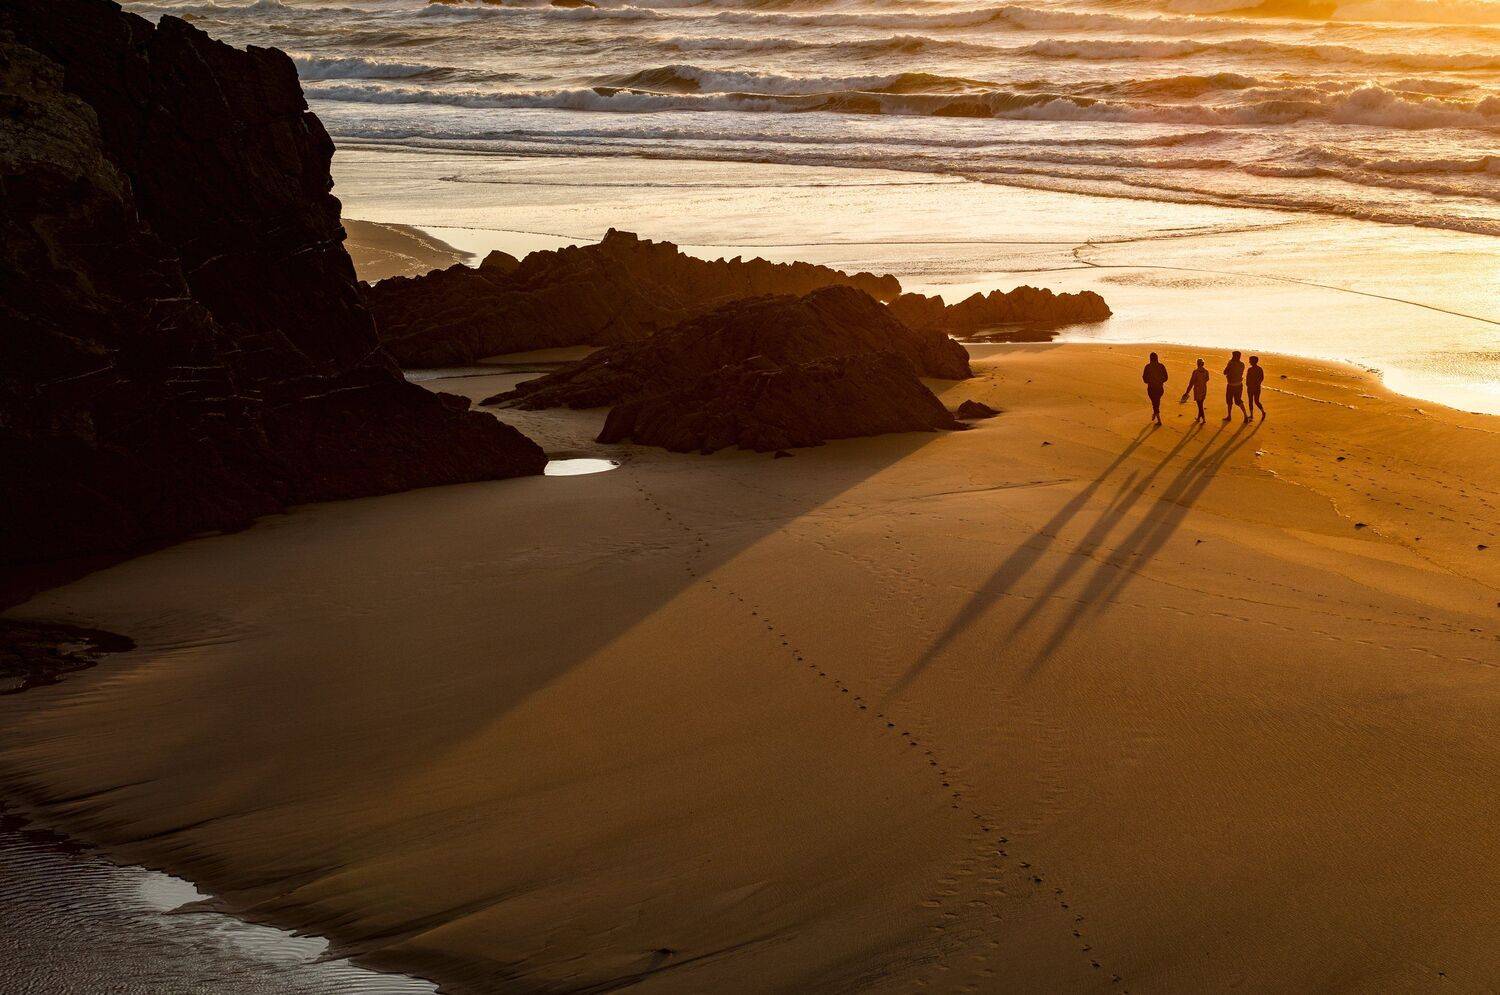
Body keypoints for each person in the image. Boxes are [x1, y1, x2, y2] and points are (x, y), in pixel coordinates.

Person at [1222, 350, 1249, 422]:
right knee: (1238, 400)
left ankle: (1229, 416)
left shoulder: (1231, 363)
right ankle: (1245, 415)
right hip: (1239, 384)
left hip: (1231, 385)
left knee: (1229, 401)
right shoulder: (1242, 364)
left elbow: (1225, 372)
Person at [1142, 352, 1169, 425]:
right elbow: (1166, 377)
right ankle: (1155, 414)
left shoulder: (1147, 366)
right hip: (1160, 388)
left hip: (1151, 388)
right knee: (1156, 402)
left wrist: (1150, 381)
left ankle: (1159, 420)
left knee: (1155, 402)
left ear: (1150, 358)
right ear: (1157, 358)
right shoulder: (1161, 366)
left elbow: (1144, 379)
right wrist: (1160, 381)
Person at [1180, 358, 1210, 423]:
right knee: (1201, 404)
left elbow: (1191, 383)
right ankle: (1199, 418)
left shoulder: (1195, 372)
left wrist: (1187, 392)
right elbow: (1207, 379)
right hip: (1204, 389)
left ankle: (1204, 419)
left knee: (1200, 405)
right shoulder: (1206, 371)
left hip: (1197, 390)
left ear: (1197, 364)